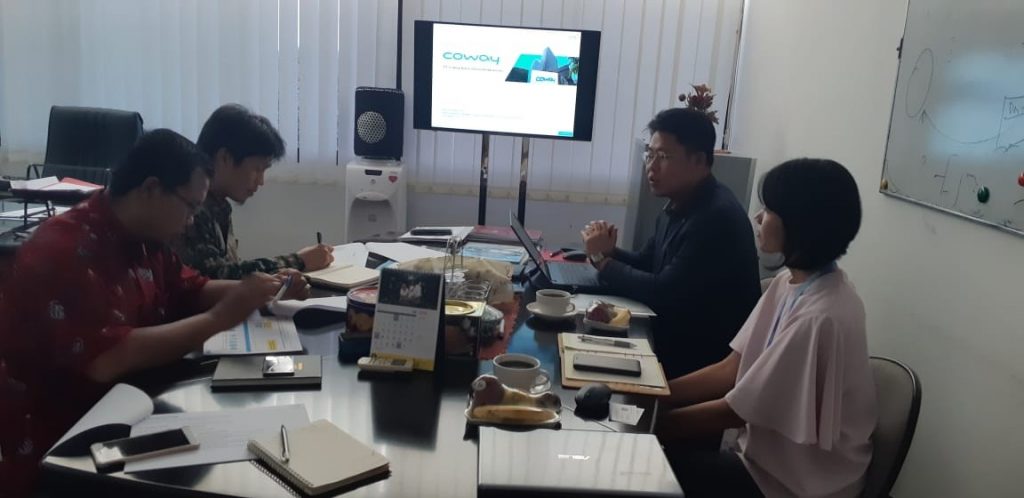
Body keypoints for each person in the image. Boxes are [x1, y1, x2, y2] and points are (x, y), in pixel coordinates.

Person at [0, 129, 310, 495]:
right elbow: (108, 359)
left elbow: (190, 289)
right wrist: (220, 318)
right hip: (62, 446)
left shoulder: (145, 237)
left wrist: (262, 290)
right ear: (151, 189)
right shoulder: (65, 251)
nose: (192, 220)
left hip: (129, 407)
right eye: (190, 206)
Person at [656, 158, 877, 498]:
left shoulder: (822, 315)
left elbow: (734, 411)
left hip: (793, 483)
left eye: (770, 210)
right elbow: (731, 369)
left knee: (648, 472)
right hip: (764, 460)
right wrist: (653, 393)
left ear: (801, 223)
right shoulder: (788, 284)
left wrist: (651, 423)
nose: (758, 217)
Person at [582, 108, 761, 379]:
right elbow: (648, 262)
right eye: (649, 154)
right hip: (669, 341)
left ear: (699, 160)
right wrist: (608, 251)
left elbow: (663, 292)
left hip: (696, 364)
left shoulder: (715, 218)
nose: (651, 166)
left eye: (663, 157)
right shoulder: (680, 202)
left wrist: (602, 262)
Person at [173, 103, 334, 279]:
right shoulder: (192, 209)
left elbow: (232, 271)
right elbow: (217, 277)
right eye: (257, 169)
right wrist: (298, 261)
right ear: (225, 158)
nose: (261, 181)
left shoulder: (220, 205)